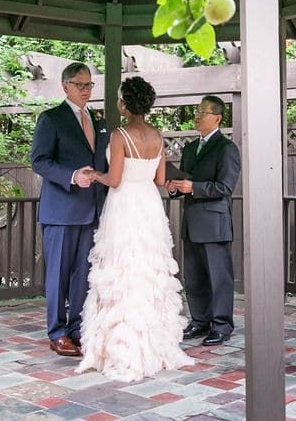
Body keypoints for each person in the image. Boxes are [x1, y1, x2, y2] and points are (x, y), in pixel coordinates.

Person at [75, 76, 193, 382]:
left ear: (125, 104)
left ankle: (121, 349)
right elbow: (159, 180)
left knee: (121, 270)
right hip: (150, 206)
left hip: (124, 205)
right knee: (147, 271)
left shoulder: (119, 135)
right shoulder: (157, 136)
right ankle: (153, 347)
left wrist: (95, 175)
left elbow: (114, 180)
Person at [30, 62, 109, 357]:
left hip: (92, 211)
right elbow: (38, 161)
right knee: (58, 276)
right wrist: (73, 176)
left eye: (89, 85)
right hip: (61, 211)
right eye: (80, 85)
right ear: (64, 86)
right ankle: (57, 331)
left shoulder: (98, 120)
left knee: (83, 275)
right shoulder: (51, 119)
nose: (86, 90)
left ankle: (77, 328)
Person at [166, 95, 241, 347]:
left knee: (219, 278)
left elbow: (225, 187)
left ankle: (222, 325)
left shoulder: (227, 148)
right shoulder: (189, 148)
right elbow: (185, 181)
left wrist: (193, 187)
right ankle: (199, 321)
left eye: (202, 112)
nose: (197, 116)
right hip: (192, 221)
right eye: (196, 111)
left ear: (217, 118)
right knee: (194, 276)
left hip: (215, 223)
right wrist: (175, 187)